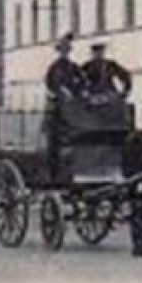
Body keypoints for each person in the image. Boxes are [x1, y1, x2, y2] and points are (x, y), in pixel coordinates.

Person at [43, 34, 86, 178]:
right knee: (55, 135)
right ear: (59, 51)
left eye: (67, 50)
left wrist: (81, 91)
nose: (65, 52)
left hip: (74, 103)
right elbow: (50, 84)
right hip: (58, 106)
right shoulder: (54, 67)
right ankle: (54, 170)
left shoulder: (73, 67)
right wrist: (60, 91)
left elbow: (82, 81)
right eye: (63, 50)